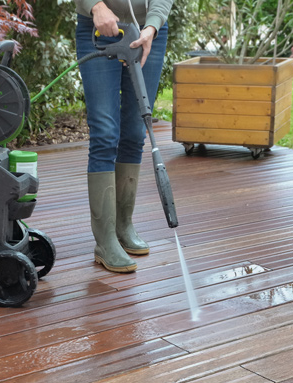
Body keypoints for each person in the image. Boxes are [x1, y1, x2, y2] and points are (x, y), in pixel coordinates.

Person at [75, 0, 173, 272]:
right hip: (100, 27)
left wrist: (152, 26)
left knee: (134, 131)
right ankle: (105, 240)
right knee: (105, 132)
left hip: (148, 31)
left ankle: (123, 226)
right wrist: (95, 6)